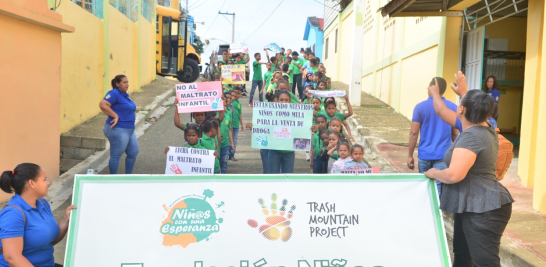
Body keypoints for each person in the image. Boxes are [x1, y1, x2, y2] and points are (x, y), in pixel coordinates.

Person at [425, 71, 514, 266]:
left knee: (485, 262)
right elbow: (478, 109)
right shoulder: (487, 126)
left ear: (461, 109)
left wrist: (433, 173)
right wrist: (464, 92)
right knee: (463, 257)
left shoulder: (472, 136)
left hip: (483, 206)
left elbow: (454, 174)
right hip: (473, 203)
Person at [0, 163, 76, 267]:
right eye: (44, 179)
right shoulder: (12, 214)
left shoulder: (42, 203)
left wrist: (65, 220)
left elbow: (47, 241)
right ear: (32, 183)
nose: (48, 183)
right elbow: (12, 257)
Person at [407, 77, 458, 195]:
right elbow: (455, 134)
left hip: (425, 155)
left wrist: (410, 155)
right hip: (443, 155)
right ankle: (438, 212)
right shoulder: (452, 107)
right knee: (439, 188)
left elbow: (414, 133)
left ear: (432, 88)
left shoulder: (420, 107)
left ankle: (426, 211)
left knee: (424, 187)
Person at [99, 75, 139, 174]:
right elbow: (103, 104)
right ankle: (113, 180)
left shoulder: (124, 94)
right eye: (124, 82)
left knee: (133, 152)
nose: (127, 84)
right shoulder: (114, 93)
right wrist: (115, 116)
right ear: (117, 84)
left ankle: (128, 177)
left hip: (129, 129)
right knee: (116, 155)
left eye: (127, 82)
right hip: (118, 129)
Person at [219, 92, 235, 174]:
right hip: (217, 145)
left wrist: (232, 143)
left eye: (225, 106)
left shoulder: (228, 115)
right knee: (217, 162)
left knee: (224, 162)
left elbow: (230, 130)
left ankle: (223, 176)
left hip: (225, 144)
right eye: (222, 106)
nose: (224, 108)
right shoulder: (215, 116)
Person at [229, 86, 244, 161]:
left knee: (234, 140)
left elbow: (240, 114)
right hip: (229, 125)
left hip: (236, 125)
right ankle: (228, 154)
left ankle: (232, 154)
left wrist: (241, 124)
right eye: (235, 94)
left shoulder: (239, 103)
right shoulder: (230, 102)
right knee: (229, 140)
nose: (237, 95)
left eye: (239, 93)